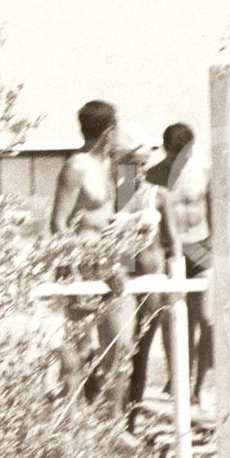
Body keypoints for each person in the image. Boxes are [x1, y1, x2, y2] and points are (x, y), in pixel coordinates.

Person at [50, 100, 137, 414]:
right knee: (79, 349)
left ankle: (112, 421)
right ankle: (74, 419)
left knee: (121, 345)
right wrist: (72, 266)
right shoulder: (77, 166)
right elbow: (58, 223)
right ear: (109, 132)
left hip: (112, 263)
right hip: (84, 265)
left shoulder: (112, 166)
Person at [146, 123, 214, 405]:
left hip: (200, 247)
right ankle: (179, 380)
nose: (178, 161)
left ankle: (200, 384)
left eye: (183, 154)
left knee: (208, 320)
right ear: (165, 150)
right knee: (174, 320)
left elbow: (215, 209)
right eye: (173, 155)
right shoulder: (152, 176)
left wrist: (215, 243)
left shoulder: (203, 174)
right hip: (168, 250)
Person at [119, 135, 181, 433]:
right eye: (134, 164)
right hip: (121, 281)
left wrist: (176, 278)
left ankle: (131, 419)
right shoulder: (115, 195)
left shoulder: (158, 195)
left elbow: (173, 240)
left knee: (141, 352)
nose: (139, 170)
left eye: (144, 164)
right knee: (120, 350)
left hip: (151, 281)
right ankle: (114, 417)